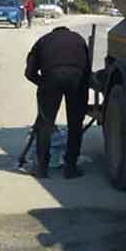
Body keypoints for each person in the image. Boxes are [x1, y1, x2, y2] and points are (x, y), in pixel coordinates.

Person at [25, 26, 90, 179]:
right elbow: (87, 68)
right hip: (77, 77)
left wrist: (43, 83)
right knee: (75, 124)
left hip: (51, 77)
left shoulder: (43, 40)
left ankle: (41, 168)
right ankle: (71, 168)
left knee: (45, 124)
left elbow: (29, 73)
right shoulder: (78, 39)